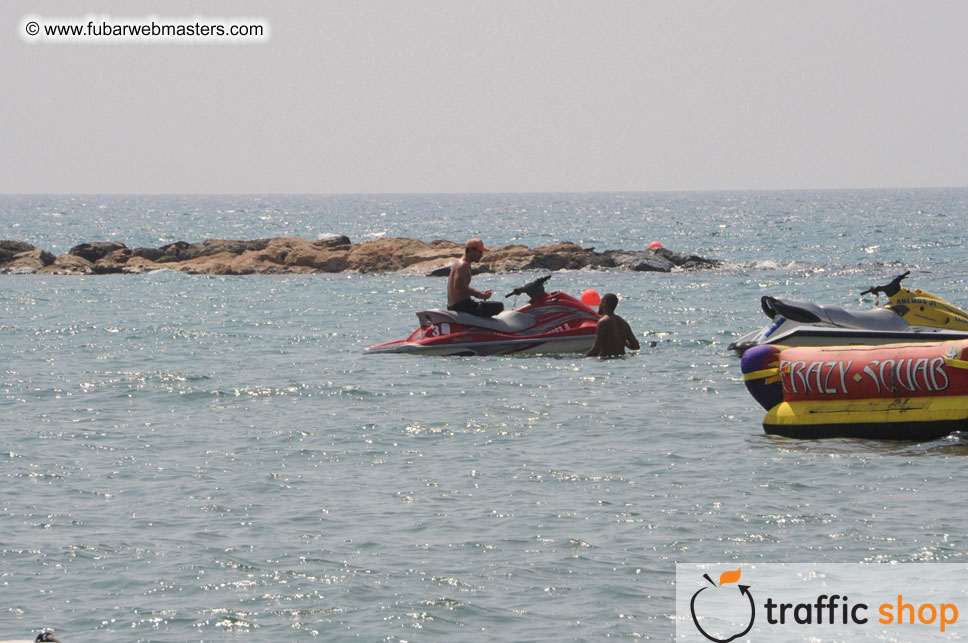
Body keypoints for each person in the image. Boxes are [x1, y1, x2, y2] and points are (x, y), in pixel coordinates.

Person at [447, 238, 504, 317]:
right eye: (479, 252)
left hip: (455, 306)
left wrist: (480, 292)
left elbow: (463, 286)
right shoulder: (463, 265)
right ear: (470, 250)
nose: (481, 255)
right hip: (462, 307)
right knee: (499, 306)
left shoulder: (459, 263)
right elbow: (458, 285)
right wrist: (478, 295)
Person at [586, 293, 641, 357]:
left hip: (606, 361)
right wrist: (623, 341)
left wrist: (582, 359)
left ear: (604, 303)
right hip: (621, 359)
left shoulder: (603, 322)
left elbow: (596, 350)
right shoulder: (623, 323)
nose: (599, 304)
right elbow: (636, 346)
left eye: (600, 302)